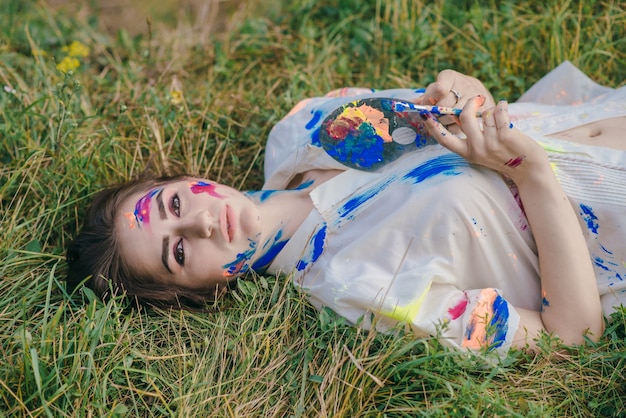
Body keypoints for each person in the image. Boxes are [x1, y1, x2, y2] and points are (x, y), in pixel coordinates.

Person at [66, 62, 626, 355]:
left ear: (187, 179)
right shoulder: (363, 290)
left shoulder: (300, 134)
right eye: (179, 250)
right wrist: (532, 178)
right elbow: (572, 335)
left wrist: (461, 92)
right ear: (202, 291)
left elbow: (457, 104)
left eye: (173, 203)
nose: (203, 220)